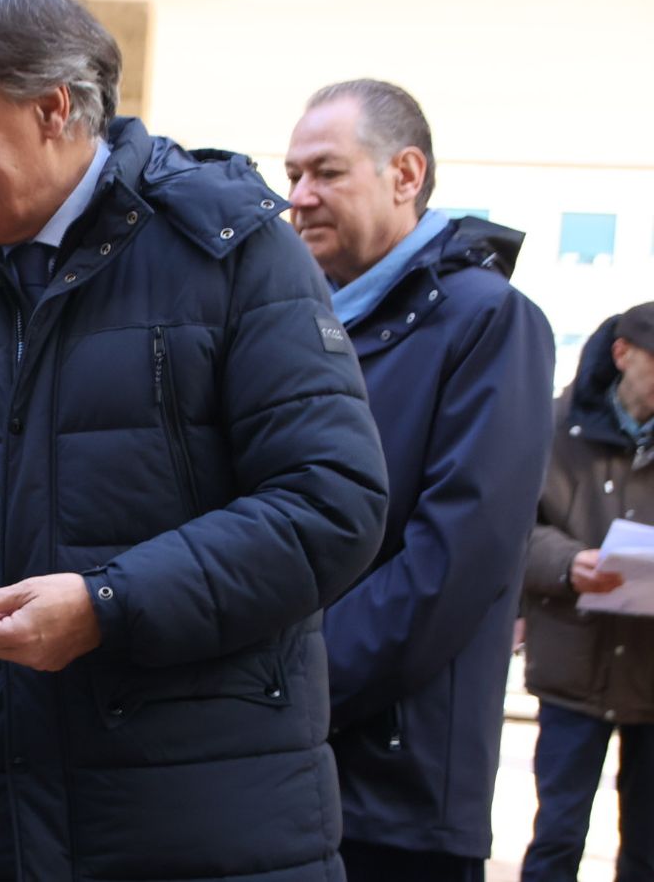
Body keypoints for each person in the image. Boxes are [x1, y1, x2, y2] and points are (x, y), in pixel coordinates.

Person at [0, 0, 389, 881]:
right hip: (4, 817)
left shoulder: (230, 251)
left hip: (208, 830)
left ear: (53, 108)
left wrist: (108, 606)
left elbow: (331, 505)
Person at [285, 79, 555, 881]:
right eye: (292, 173)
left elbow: (452, 563)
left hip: (398, 794)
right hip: (286, 770)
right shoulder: (303, 323)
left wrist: (288, 683)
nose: (298, 197)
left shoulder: (489, 320)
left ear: (406, 174)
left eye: (326, 172)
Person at [520, 301, 654, 881]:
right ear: (624, 355)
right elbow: (508, 531)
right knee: (558, 834)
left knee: (647, 844)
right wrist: (568, 563)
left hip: (650, 676)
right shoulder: (550, 426)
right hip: (572, 667)